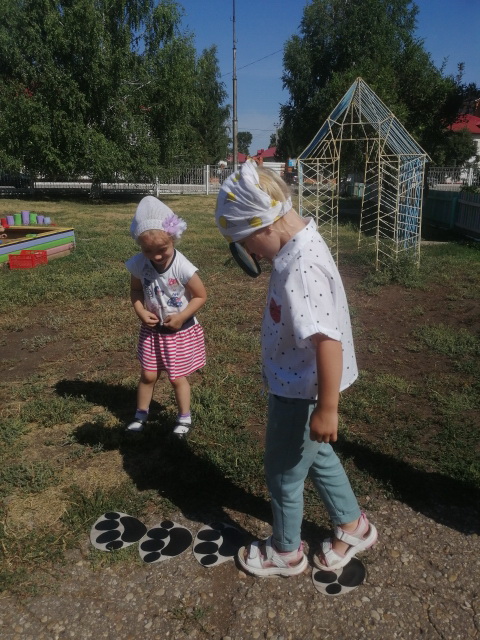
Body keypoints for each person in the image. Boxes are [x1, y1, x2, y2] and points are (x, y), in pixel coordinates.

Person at [214, 160, 377, 576]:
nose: (250, 255)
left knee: (283, 474)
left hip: (300, 390)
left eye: (246, 244)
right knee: (317, 456)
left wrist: (327, 408)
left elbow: (328, 341)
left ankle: (285, 552)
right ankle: (354, 526)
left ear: (265, 226)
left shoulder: (301, 269)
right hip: (298, 382)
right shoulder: (299, 244)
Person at [125, 196, 207, 437]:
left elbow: (200, 296)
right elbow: (136, 290)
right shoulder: (140, 264)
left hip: (178, 331)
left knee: (176, 377)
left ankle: (184, 417)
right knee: (148, 374)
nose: (156, 256)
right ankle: (141, 414)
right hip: (152, 331)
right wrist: (140, 311)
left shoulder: (183, 267)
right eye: (148, 251)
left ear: (173, 239)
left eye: (162, 250)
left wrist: (181, 317)